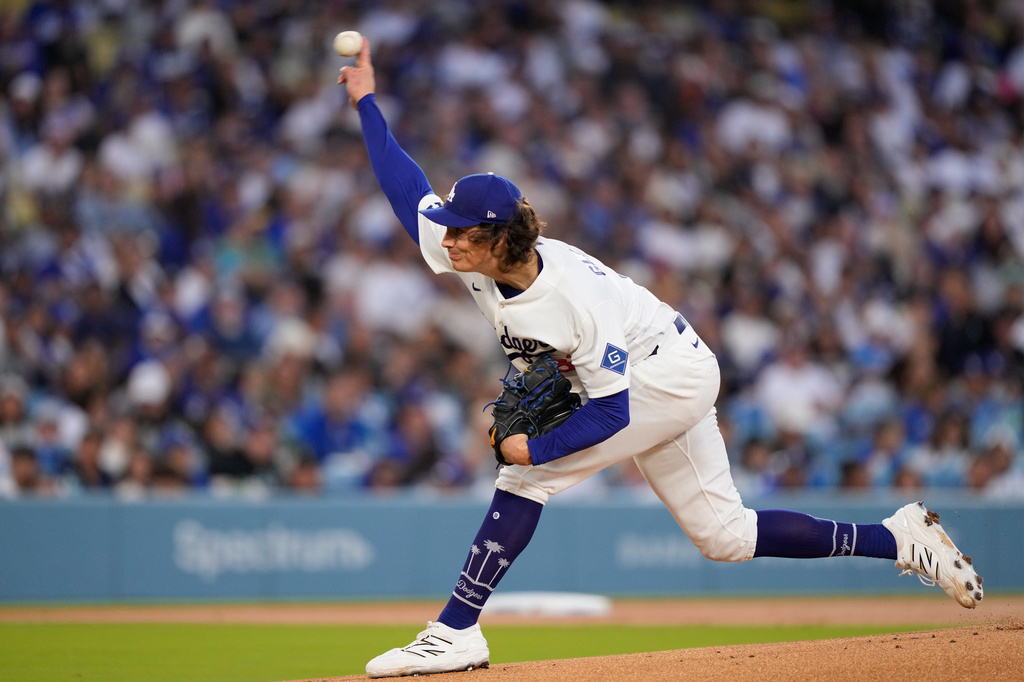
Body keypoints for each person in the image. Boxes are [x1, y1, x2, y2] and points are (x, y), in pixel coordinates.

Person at [338, 39, 984, 679]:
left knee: (526, 478)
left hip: (664, 374)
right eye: (447, 226)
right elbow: (405, 188)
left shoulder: (569, 301)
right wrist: (368, 102)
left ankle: (455, 629)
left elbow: (613, 412)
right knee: (725, 537)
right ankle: (899, 537)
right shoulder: (472, 249)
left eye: (461, 229)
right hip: (660, 365)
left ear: (501, 239)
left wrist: (534, 451)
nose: (445, 238)